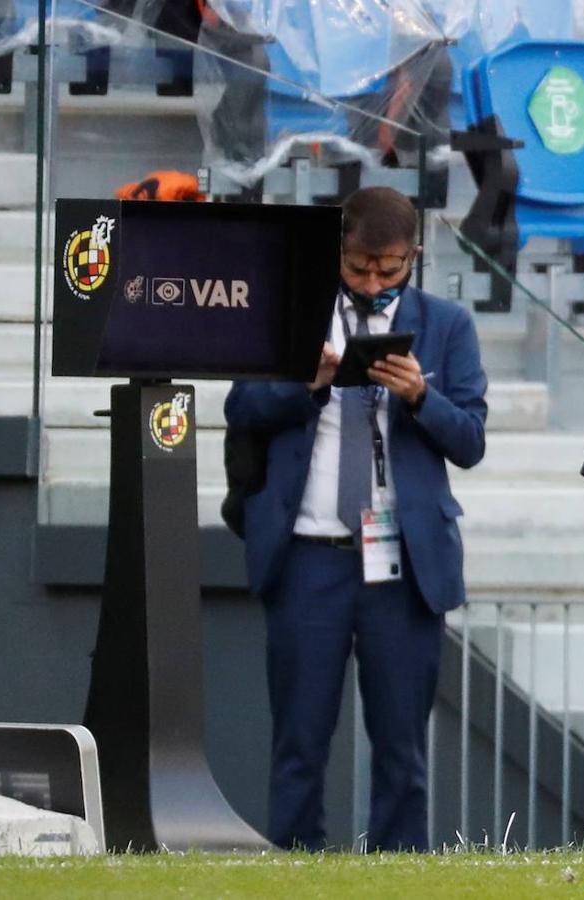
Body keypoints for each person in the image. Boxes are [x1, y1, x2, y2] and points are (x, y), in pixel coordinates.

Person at [224, 187, 487, 852]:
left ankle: (399, 874)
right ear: (335, 255)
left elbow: (470, 441)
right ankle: (294, 868)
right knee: (299, 741)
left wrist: (420, 394)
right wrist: (307, 385)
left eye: (388, 269)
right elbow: (243, 407)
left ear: (413, 259)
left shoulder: (446, 324)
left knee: (402, 747)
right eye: (358, 267)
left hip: (401, 560)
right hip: (308, 551)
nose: (372, 281)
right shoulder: (293, 310)